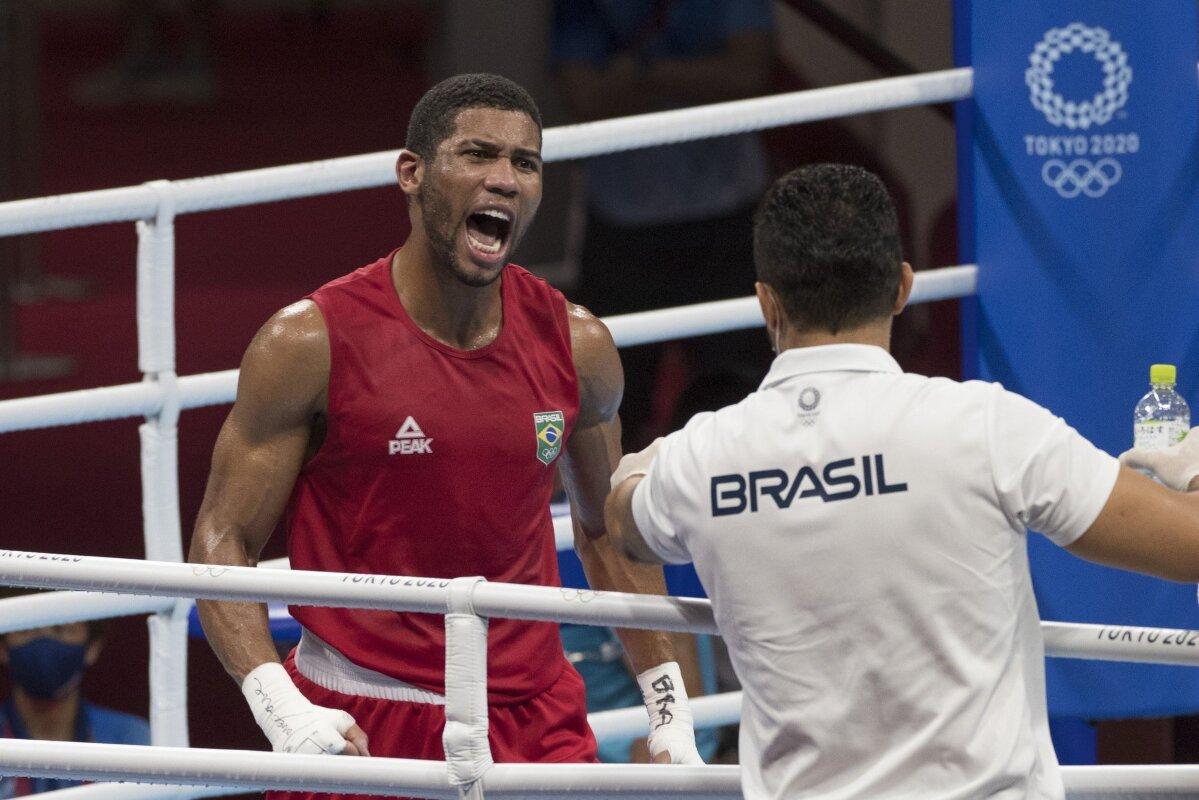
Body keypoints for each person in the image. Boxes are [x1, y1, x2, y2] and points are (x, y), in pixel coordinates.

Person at [604, 163, 1199, 799]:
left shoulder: (704, 457)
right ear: (902, 288)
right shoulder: (986, 427)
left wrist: (653, 462)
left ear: (766, 303)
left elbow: (622, 521)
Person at [187, 73, 702, 799]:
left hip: (534, 720)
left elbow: (606, 529)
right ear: (412, 173)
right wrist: (282, 707)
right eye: (477, 154)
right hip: (362, 717)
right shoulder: (309, 342)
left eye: (524, 163)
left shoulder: (577, 345)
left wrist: (670, 717)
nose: (504, 179)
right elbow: (223, 535)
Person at [551, 0, 775, 449]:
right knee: (609, 401)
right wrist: (697, 78)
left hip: (728, 215)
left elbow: (748, 74)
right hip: (624, 221)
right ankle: (614, 516)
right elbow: (584, 96)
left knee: (739, 401)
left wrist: (639, 76)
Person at [0, 615, 150, 797]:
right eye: (27, 629)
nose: (45, 642)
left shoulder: (133, 739)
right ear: (3, 645)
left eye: (62, 629)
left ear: (92, 647)